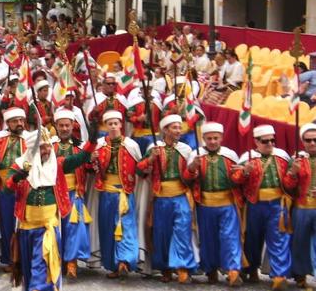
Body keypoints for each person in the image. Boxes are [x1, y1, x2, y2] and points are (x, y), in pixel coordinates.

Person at [6, 122, 97, 290]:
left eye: (48, 146)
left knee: (42, 264)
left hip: (47, 227)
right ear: (32, 150)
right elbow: (7, 185)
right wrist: (16, 178)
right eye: (41, 147)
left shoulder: (58, 164)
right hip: (26, 227)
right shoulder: (20, 165)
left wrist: (92, 141)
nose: (47, 150)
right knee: (28, 269)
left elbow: (81, 157)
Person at [137, 114, 197, 283]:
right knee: (162, 234)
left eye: (179, 127)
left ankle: (182, 267)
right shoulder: (154, 147)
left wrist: (193, 169)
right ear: (165, 130)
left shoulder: (185, 150)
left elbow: (188, 177)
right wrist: (151, 158)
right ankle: (166, 269)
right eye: (174, 127)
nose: (178, 130)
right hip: (160, 198)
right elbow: (140, 170)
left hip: (180, 196)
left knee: (182, 231)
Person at [183, 122, 243, 286]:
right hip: (205, 205)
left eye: (216, 138)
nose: (212, 142)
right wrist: (192, 167)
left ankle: (233, 271)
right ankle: (211, 270)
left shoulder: (230, 155)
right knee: (208, 239)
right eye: (209, 138)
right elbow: (187, 180)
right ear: (203, 139)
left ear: (221, 138)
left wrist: (243, 172)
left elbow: (237, 180)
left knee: (229, 237)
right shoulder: (196, 156)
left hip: (227, 204)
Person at [237, 125, 293, 290]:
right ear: (256, 141)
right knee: (252, 238)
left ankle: (279, 275)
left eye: (272, 140)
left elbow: (290, 183)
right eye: (265, 141)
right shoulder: (247, 157)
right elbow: (235, 179)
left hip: (276, 204)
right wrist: (245, 172)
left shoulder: (282, 156)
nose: (270, 144)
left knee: (278, 239)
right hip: (254, 205)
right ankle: (251, 268)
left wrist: (294, 174)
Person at [90, 110, 141, 278]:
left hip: (124, 194)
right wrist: (93, 159)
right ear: (106, 126)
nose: (113, 126)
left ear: (121, 125)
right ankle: (113, 265)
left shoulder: (131, 145)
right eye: (109, 124)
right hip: (106, 194)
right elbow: (92, 169)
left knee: (126, 227)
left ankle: (125, 260)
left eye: (115, 123)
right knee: (108, 229)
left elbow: (140, 168)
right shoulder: (99, 145)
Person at [52, 109, 94, 278]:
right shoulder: (50, 146)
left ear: (72, 126)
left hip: (73, 193)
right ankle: (56, 261)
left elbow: (90, 169)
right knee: (55, 229)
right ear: (56, 126)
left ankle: (71, 263)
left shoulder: (80, 147)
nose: (64, 128)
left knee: (74, 228)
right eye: (61, 125)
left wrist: (92, 161)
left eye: (67, 125)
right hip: (54, 194)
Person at [0, 107, 28, 271]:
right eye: (15, 121)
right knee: (7, 224)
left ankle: (23, 259)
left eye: (21, 120)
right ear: (8, 123)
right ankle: (10, 259)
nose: (19, 124)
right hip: (5, 188)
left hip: (25, 188)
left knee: (23, 225)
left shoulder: (30, 138)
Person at [286, 123, 316, 288]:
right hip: (302, 208)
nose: (312, 143)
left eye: (315, 140)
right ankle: (300, 275)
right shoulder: (296, 159)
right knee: (300, 242)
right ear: (302, 141)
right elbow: (287, 186)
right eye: (308, 140)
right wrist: (293, 172)